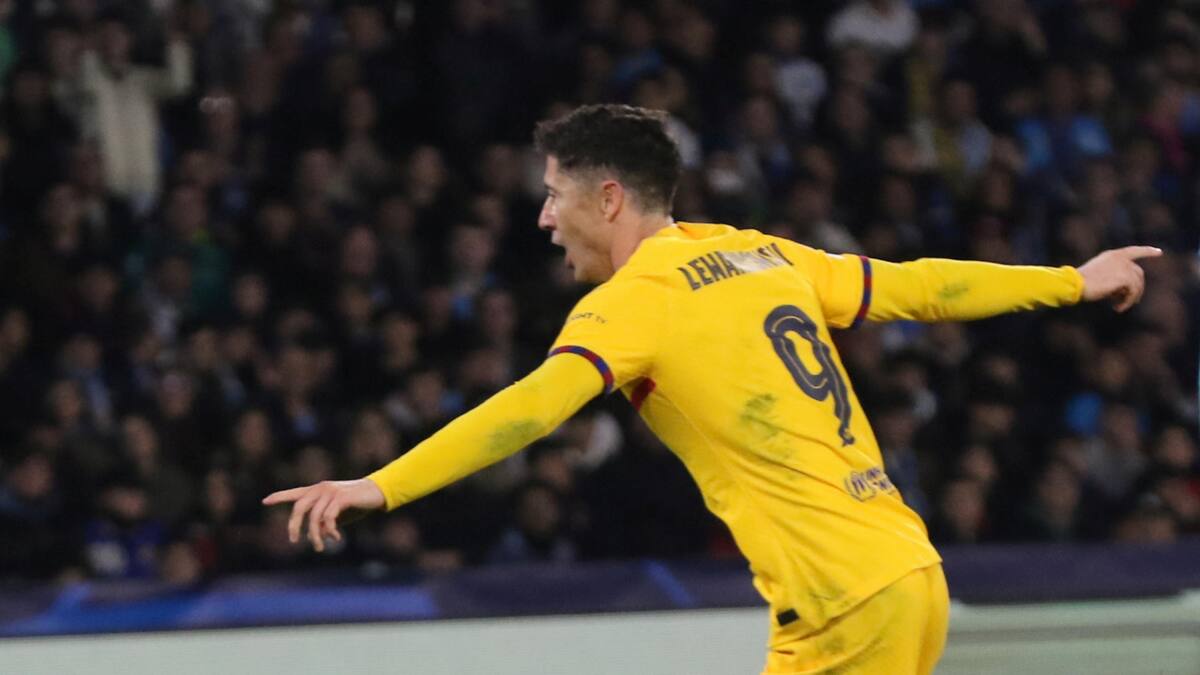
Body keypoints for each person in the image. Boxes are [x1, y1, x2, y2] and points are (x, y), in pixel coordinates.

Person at [263, 104, 1160, 674]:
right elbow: (919, 284)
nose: (542, 217)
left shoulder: (634, 301)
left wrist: (379, 484)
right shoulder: (756, 252)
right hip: (901, 571)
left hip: (841, 599)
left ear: (608, 198)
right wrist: (1070, 280)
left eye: (552, 195)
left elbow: (530, 407)